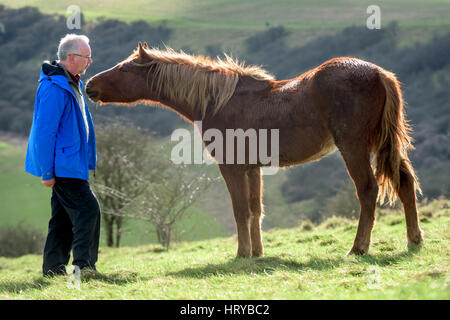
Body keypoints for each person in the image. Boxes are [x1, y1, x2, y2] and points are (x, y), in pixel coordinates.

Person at [25, 34, 100, 277]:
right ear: (71, 57)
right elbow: (44, 133)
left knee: (62, 219)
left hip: (72, 163)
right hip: (63, 166)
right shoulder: (55, 87)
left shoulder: (70, 82)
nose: (90, 61)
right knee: (88, 210)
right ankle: (84, 267)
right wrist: (47, 172)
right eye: (87, 57)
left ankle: (53, 269)